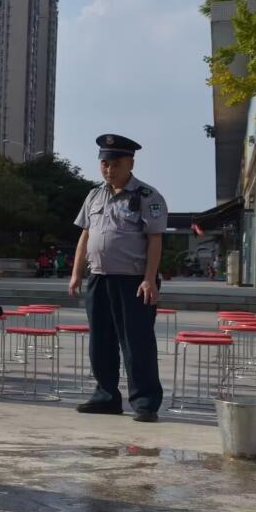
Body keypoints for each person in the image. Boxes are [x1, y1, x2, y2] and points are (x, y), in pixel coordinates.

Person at [69, 134, 168, 423]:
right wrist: (76, 274)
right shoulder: (94, 195)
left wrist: (149, 279)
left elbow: (155, 240)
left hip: (134, 280)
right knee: (101, 341)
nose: (109, 170)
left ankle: (145, 402)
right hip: (99, 278)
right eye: (104, 164)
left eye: (115, 164)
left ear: (130, 163)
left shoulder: (148, 197)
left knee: (137, 343)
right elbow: (85, 236)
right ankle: (106, 396)